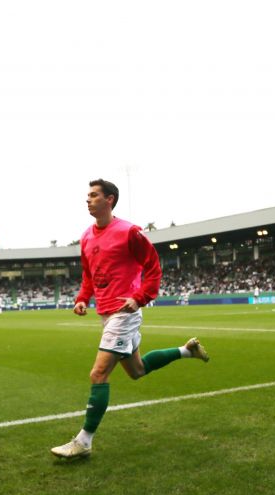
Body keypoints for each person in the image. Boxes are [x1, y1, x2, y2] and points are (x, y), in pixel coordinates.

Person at [51, 179, 209, 460]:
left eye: (93, 195)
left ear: (109, 200)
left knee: (99, 374)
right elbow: (89, 275)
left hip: (125, 312)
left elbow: (153, 267)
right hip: (106, 312)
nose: (88, 200)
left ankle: (84, 440)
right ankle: (187, 350)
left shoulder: (129, 232)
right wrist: (82, 298)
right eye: (87, 195)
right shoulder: (86, 236)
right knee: (136, 371)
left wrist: (140, 297)